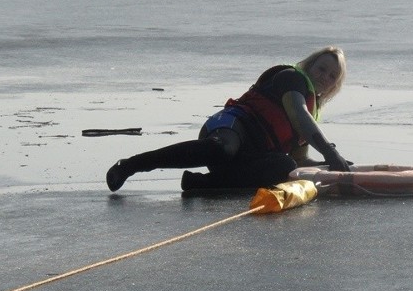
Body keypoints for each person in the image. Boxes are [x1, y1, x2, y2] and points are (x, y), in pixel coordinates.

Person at [105, 45, 351, 192]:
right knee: (224, 150)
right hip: (231, 128)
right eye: (322, 69)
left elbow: (299, 159)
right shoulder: (292, 79)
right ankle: (131, 165)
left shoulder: (314, 106)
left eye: (332, 76)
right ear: (310, 65)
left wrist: (333, 167)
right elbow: (299, 116)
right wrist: (330, 152)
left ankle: (200, 184)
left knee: (284, 167)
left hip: (251, 157)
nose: (324, 77)